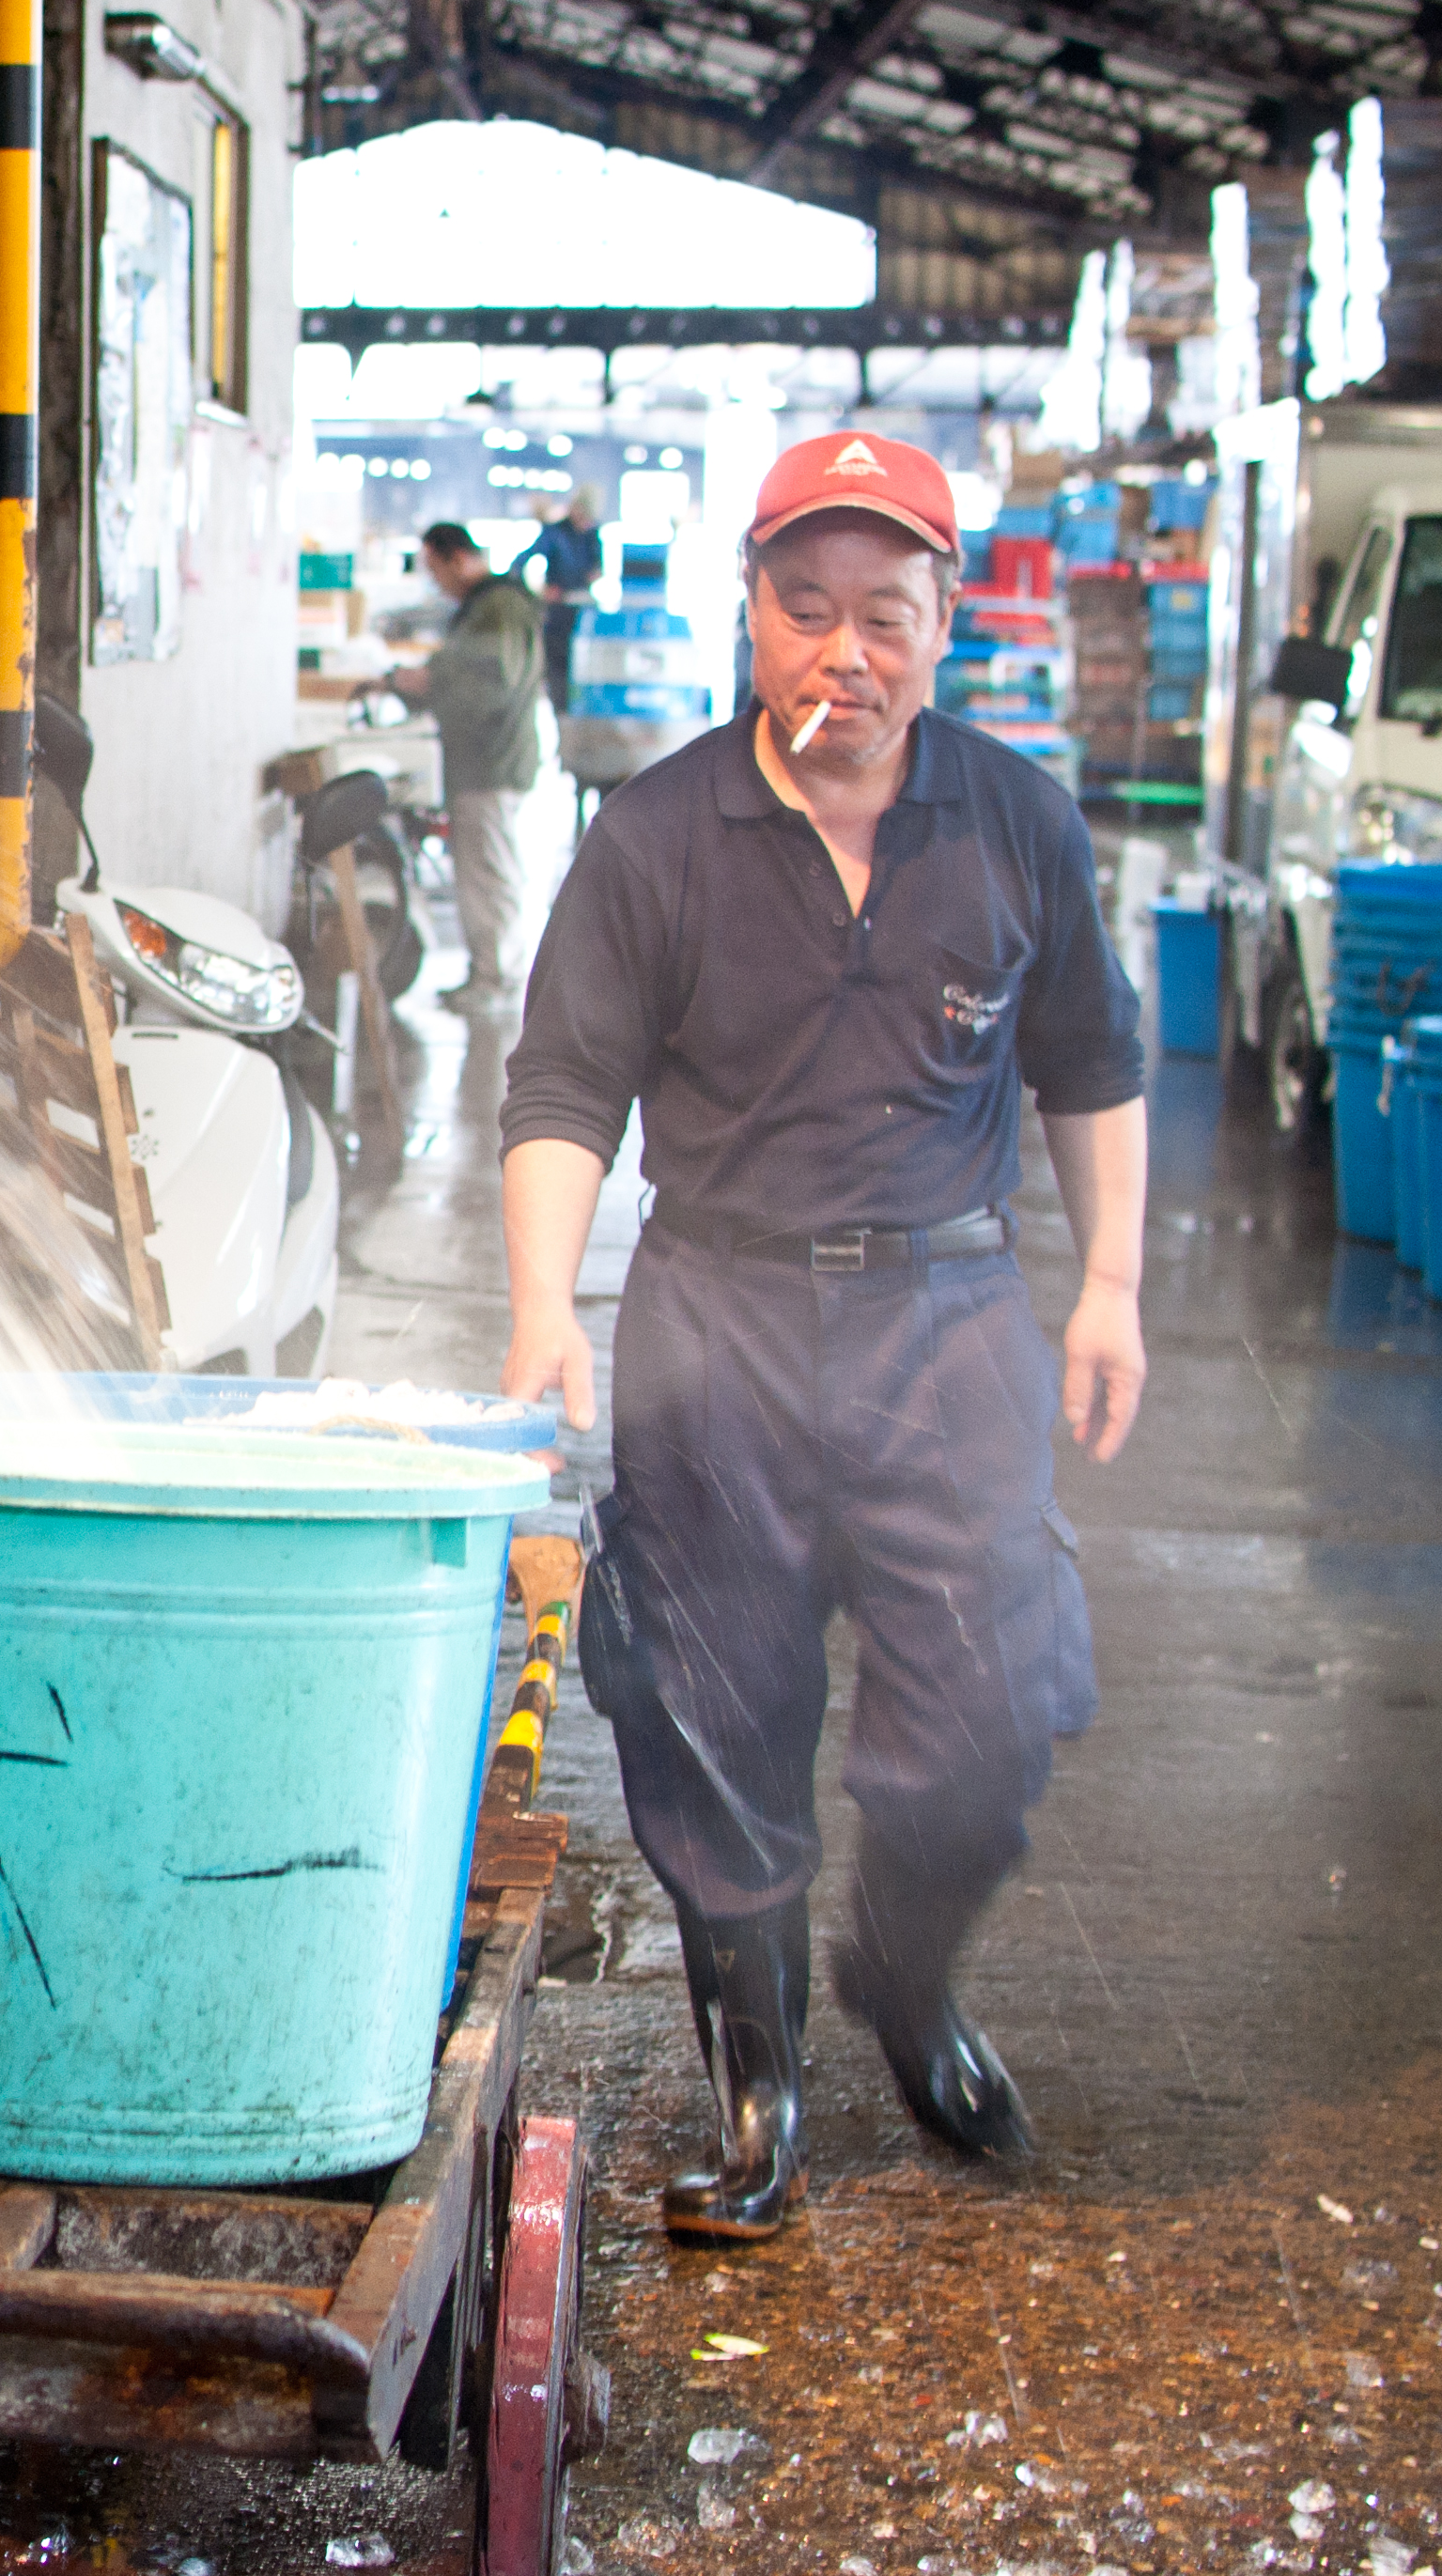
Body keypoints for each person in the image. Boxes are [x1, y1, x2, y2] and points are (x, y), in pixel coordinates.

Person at [496, 431, 1149, 2245]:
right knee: (711, 1714)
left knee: (992, 1706)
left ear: (942, 629)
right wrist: (546, 1300)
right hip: (720, 1320)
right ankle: (757, 2084)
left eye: (880, 614)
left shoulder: (1014, 821)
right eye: (801, 610)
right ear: (750, 612)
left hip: (948, 1317)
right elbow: (560, 1084)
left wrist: (1104, 1285)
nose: (835, 654)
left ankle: (907, 1976)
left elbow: (1088, 1063)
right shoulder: (654, 830)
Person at [393, 522, 546, 1013]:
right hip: (485, 760)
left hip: (492, 761)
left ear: (459, 557)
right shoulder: (491, 604)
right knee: (484, 871)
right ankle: (489, 971)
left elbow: (489, 681)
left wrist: (428, 680)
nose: (436, 584)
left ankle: (496, 979)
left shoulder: (498, 607)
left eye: (436, 570)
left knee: (489, 873)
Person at [533, 489, 606, 717]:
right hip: (557, 614)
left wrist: (595, 574)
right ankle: (561, 712)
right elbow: (523, 559)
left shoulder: (593, 535)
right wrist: (540, 590)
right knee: (557, 668)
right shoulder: (554, 533)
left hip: (583, 612)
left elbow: (598, 567)